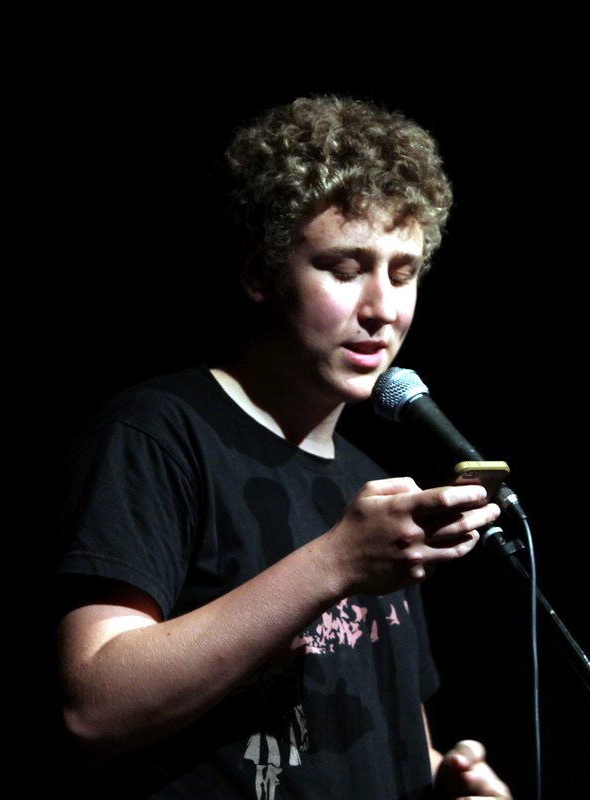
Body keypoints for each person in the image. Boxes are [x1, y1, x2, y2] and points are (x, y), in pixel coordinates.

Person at [55, 96, 512, 799]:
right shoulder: (159, 434)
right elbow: (92, 707)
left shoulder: (372, 486)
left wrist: (444, 781)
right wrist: (335, 562)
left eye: (403, 273)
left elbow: (381, 737)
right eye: (344, 267)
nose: (382, 309)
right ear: (259, 272)